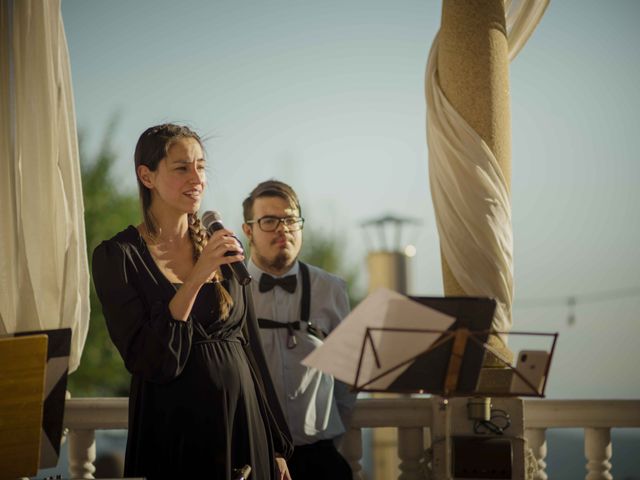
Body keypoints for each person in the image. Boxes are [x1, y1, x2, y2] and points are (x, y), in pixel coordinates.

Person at [92, 124, 293, 480]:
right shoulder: (117, 257)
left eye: (201, 166)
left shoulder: (221, 247)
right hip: (177, 437)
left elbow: (252, 351)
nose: (196, 177)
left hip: (246, 431)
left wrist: (277, 446)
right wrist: (198, 274)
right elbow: (150, 359)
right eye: (182, 167)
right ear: (147, 176)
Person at [241, 180, 356, 480]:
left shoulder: (331, 289)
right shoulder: (230, 290)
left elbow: (346, 381)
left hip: (320, 457)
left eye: (291, 219)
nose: (283, 229)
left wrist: (329, 437)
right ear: (248, 230)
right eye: (269, 220)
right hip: (252, 457)